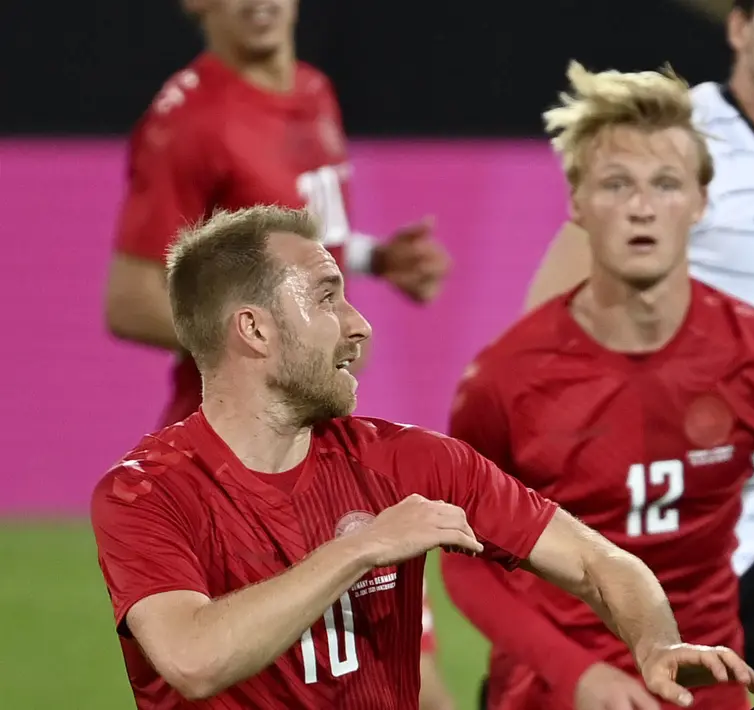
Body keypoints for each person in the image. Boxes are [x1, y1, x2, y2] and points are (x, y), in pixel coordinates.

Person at [90, 205, 754, 710]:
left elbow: (599, 563)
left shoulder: (407, 463)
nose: (360, 324)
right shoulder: (147, 495)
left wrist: (653, 642)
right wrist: (363, 547)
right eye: (326, 296)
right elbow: (193, 657)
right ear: (254, 329)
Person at [440, 62, 754, 710]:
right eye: (615, 184)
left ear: (700, 202)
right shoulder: (504, 381)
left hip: (700, 694)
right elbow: (465, 559)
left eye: (665, 183)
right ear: (577, 203)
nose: (641, 207)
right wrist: (577, 674)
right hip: (553, 695)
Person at [100, 2, 451, 701]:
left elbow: (286, 256)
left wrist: (376, 258)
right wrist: (288, 339)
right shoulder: (187, 125)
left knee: (407, 668)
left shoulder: (313, 90)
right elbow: (131, 299)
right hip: (240, 460)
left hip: (319, 435)